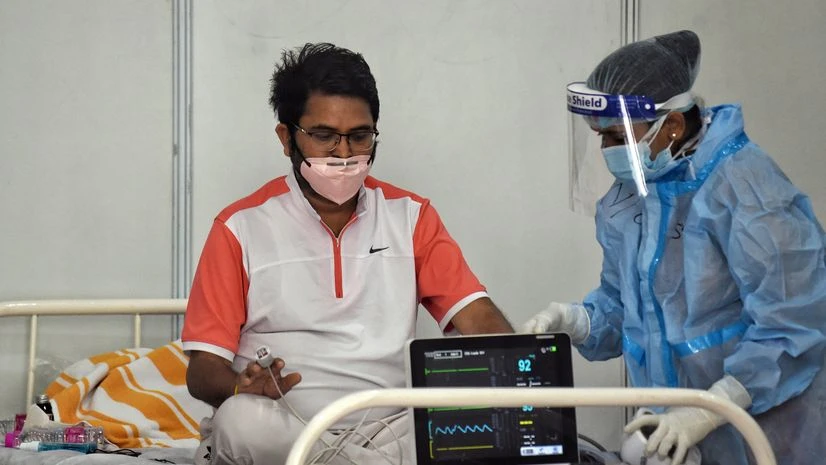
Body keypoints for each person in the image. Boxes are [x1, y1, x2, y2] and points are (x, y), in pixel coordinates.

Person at [181, 42, 513, 465]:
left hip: (390, 427)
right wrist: (239, 388)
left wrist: (521, 373)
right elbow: (203, 369)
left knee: (478, 418)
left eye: (359, 136)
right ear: (287, 138)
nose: (343, 153)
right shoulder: (239, 227)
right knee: (240, 422)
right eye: (324, 136)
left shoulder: (410, 216)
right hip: (283, 424)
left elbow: (477, 316)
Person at [524, 30, 826, 465]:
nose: (606, 150)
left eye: (616, 135)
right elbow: (628, 306)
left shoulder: (744, 187)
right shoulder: (633, 199)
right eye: (599, 137)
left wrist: (713, 406)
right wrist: (577, 321)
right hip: (683, 439)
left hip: (767, 437)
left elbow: (796, 322)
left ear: (673, 125)